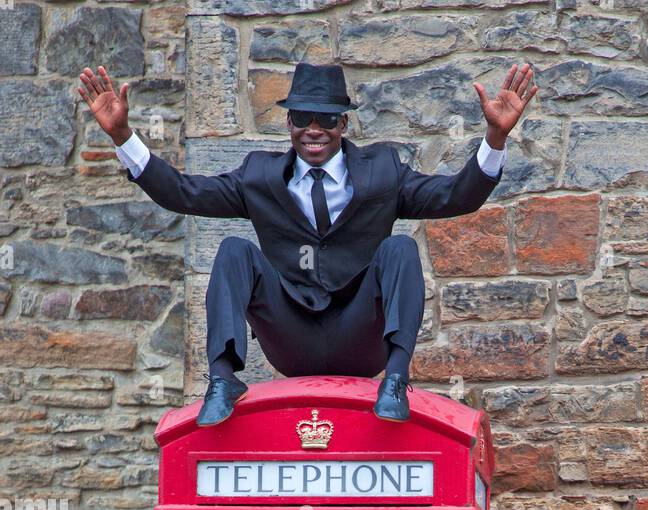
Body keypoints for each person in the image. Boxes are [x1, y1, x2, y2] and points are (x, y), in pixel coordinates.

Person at [78, 60, 537, 425]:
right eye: (302, 117)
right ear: (289, 121)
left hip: (361, 339)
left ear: (344, 124)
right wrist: (123, 136)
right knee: (233, 250)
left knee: (399, 248)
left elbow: (457, 196)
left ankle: (396, 382)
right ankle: (221, 380)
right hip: (291, 337)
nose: (313, 128)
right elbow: (184, 193)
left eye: (326, 118)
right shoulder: (258, 176)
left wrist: (495, 138)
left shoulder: (383, 171)